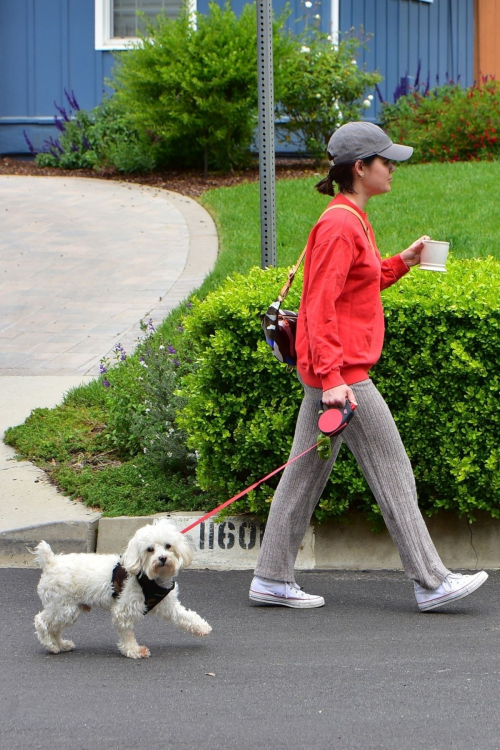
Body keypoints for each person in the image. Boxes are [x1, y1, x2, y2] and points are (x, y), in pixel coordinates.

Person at [249, 121, 488, 612]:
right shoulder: (340, 224)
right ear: (360, 169)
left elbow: (359, 283)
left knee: (303, 477)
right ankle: (431, 581)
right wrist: (335, 380)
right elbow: (319, 307)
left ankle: (271, 576)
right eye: (386, 161)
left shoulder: (348, 216)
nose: (392, 169)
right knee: (394, 470)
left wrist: (403, 260)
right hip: (344, 377)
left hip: (330, 375)